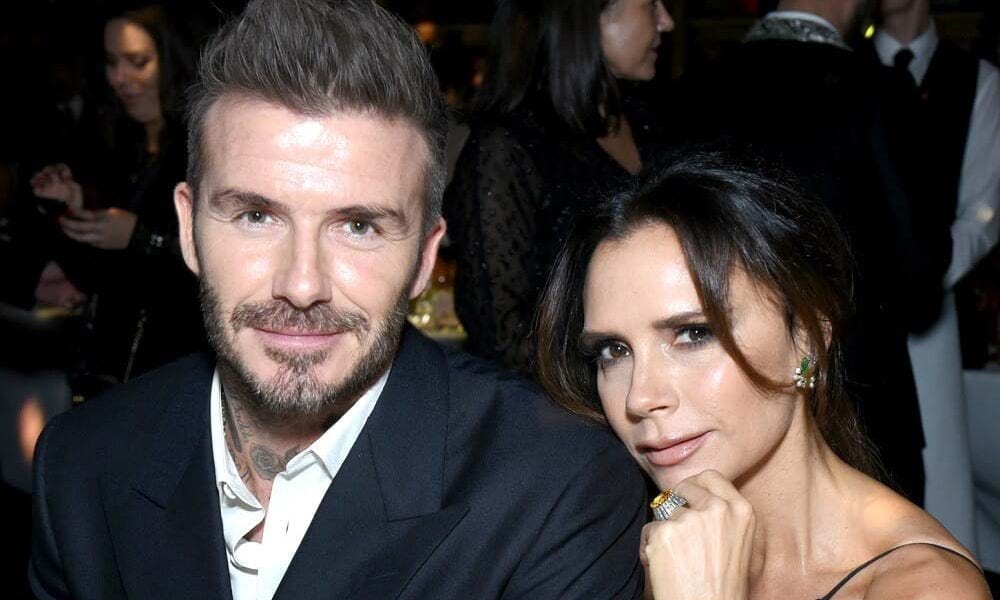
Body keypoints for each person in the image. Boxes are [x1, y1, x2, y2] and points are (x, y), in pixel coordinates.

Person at [28, 1, 646, 599]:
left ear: (424, 257)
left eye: (358, 227)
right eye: (256, 216)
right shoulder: (82, 466)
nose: (302, 286)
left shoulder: (557, 488)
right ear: (188, 230)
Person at [536, 153, 991, 599]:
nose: (639, 397)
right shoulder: (635, 554)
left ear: (806, 338)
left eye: (694, 334)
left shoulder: (925, 588)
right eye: (613, 351)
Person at [667, 0, 948, 505]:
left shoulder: (689, 94)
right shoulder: (879, 92)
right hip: (864, 415)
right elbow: (921, 276)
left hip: (718, 416)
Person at [445, 0, 674, 373]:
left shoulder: (649, 122)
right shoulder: (509, 146)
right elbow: (499, 337)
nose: (666, 22)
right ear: (590, 16)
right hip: (558, 403)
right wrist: (608, 372)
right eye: (650, 4)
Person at [866, 0, 1000, 550]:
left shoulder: (976, 79)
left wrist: (922, 276)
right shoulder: (845, 68)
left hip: (936, 314)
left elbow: (983, 213)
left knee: (943, 474)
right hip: (853, 318)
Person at [26, 5, 203, 396]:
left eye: (137, 62)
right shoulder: (121, 144)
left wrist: (141, 237)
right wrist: (73, 207)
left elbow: (219, 271)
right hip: (106, 377)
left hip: (172, 381)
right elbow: (99, 278)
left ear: (173, 61)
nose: (119, 78)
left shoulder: (204, 150)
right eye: (111, 63)